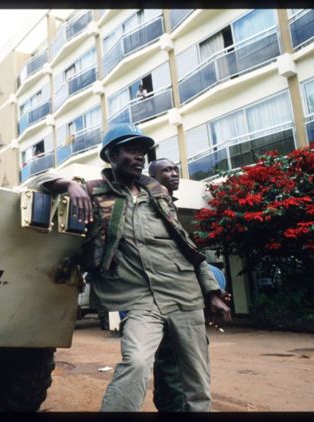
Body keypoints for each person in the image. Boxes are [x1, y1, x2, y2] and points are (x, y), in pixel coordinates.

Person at [31, 124, 231, 412]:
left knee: (197, 379)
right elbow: (35, 182)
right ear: (111, 156)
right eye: (131, 150)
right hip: (140, 300)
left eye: (142, 152)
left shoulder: (158, 193)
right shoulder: (93, 192)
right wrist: (68, 185)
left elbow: (186, 246)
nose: (139, 157)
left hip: (183, 294)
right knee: (136, 362)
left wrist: (211, 291)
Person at [147, 158, 232, 412]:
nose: (174, 174)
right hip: (163, 298)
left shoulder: (170, 206)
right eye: (167, 170)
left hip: (187, 299)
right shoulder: (148, 204)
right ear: (152, 176)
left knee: (191, 365)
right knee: (169, 363)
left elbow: (190, 252)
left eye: (176, 169)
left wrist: (211, 292)